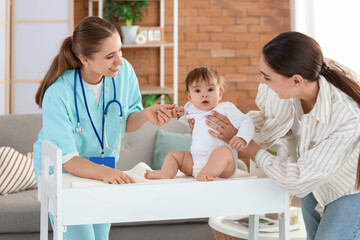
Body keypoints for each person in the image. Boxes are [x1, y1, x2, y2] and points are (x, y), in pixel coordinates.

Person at [205, 31, 360, 240]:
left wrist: (248, 146)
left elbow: (300, 178)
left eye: (267, 77)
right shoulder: (287, 88)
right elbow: (271, 122)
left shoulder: (346, 115)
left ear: (296, 80)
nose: (263, 81)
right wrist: (238, 125)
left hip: (347, 188)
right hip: (313, 187)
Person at [33, 16, 175, 240]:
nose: (119, 61)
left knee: (100, 237)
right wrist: (107, 173)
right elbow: (67, 158)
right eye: (110, 56)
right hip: (63, 174)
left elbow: (126, 119)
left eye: (120, 50)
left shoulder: (124, 72)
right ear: (85, 59)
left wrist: (146, 115)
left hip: (102, 168)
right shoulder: (58, 93)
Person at [145, 66, 254, 181]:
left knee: (224, 152)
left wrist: (242, 137)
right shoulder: (191, 108)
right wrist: (180, 113)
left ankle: (207, 173)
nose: (204, 94)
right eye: (197, 90)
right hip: (196, 162)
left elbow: (246, 121)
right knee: (174, 155)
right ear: (190, 97)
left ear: (220, 93)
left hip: (223, 167)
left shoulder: (226, 108)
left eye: (210, 89)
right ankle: (166, 173)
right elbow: (188, 119)